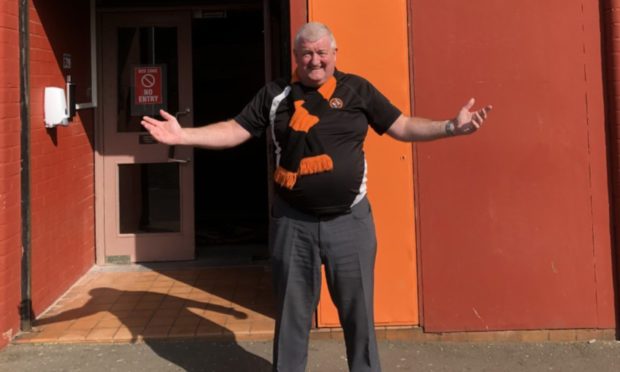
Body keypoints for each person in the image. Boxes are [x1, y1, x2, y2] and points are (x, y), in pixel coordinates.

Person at [142, 22, 491, 372]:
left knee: (359, 316)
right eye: (307, 53)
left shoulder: (358, 90)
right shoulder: (275, 95)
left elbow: (401, 126)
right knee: (292, 318)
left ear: (335, 54)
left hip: (351, 223)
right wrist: (182, 135)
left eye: (322, 52)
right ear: (295, 57)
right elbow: (235, 130)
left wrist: (450, 127)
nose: (315, 60)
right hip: (293, 223)